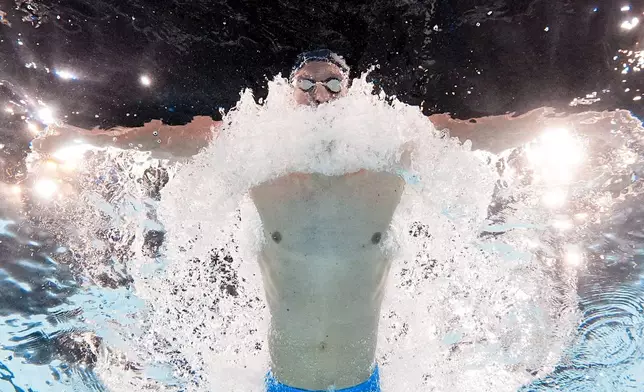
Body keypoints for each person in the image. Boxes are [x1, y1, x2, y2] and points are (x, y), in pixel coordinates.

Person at [30, 50, 537, 391]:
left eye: (333, 83)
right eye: (307, 84)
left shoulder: (394, 154)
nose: (319, 95)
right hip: (282, 383)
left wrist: (573, 124)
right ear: (288, 90)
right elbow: (166, 143)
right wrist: (82, 137)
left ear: (352, 91)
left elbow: (478, 135)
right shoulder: (257, 157)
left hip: (364, 383)